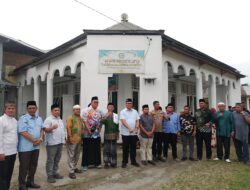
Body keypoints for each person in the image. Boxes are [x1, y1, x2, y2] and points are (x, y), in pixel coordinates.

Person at [17, 101, 44, 190]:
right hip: (25, 148)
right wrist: (34, 140)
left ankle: (30, 182)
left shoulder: (39, 118)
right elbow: (22, 132)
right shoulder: (23, 118)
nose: (32, 110)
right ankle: (22, 185)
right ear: (27, 109)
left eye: (33, 108)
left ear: (36, 109)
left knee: (33, 165)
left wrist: (40, 139)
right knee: (24, 167)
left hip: (36, 147)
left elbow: (42, 129)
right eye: (30, 108)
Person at [44, 104, 66, 183]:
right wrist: (52, 128)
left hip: (60, 142)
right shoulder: (48, 119)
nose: (57, 112)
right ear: (52, 111)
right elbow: (45, 130)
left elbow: (63, 130)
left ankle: (55, 172)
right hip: (52, 143)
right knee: (51, 160)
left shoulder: (60, 119)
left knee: (57, 159)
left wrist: (64, 139)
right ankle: (49, 175)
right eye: (55, 110)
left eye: (58, 110)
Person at [81, 96, 103, 171]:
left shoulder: (100, 111)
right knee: (87, 149)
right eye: (94, 102)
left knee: (96, 149)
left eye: (97, 102)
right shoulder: (85, 110)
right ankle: (85, 165)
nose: (96, 103)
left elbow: (101, 121)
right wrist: (89, 130)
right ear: (91, 102)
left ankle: (97, 163)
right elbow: (85, 121)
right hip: (87, 133)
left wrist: (99, 129)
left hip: (96, 133)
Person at [0, 101, 18, 190]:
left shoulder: (15, 120)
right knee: (3, 175)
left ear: (15, 109)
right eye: (9, 108)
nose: (11, 110)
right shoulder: (1, 120)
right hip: (4, 153)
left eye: (13, 108)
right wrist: (1, 152)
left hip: (13, 152)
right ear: (5, 109)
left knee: (9, 173)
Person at [120, 98, 140, 168]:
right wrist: (129, 128)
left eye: (130, 103)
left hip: (133, 133)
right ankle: (124, 162)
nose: (129, 104)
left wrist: (137, 127)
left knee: (133, 148)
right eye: (128, 103)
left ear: (132, 104)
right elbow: (123, 121)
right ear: (126, 104)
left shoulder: (135, 111)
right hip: (125, 133)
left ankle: (133, 161)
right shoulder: (123, 111)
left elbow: (137, 120)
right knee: (125, 148)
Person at [66, 105, 85, 179]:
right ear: (73, 110)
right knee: (71, 156)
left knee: (77, 155)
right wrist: (70, 138)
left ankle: (74, 168)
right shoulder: (70, 118)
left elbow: (81, 128)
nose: (78, 111)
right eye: (76, 109)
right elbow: (68, 128)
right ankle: (71, 172)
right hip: (72, 140)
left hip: (79, 139)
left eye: (79, 109)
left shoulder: (80, 118)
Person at [101, 103, 119, 168]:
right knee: (106, 149)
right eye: (109, 107)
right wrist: (106, 116)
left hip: (114, 135)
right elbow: (101, 122)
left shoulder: (116, 115)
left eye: (112, 107)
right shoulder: (105, 115)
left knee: (113, 149)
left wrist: (117, 134)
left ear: (113, 108)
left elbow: (117, 125)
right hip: (107, 135)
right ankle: (106, 163)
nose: (110, 108)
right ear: (107, 108)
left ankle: (113, 163)